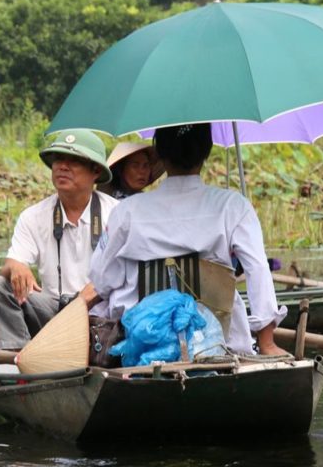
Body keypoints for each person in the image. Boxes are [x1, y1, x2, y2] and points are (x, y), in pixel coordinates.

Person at [82, 122, 288, 356]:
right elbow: (258, 269)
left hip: (142, 342)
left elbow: (102, 278)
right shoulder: (233, 206)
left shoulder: (126, 211)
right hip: (220, 342)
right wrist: (267, 343)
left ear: (159, 154)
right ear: (207, 151)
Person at [0, 129, 120, 350]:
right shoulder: (33, 216)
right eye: (58, 159)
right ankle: (15, 357)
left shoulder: (117, 214)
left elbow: (124, 273)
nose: (62, 166)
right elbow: (10, 265)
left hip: (102, 318)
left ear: (95, 171)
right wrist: (16, 267)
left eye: (74, 161)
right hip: (53, 312)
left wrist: (83, 302)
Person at [97, 142, 164, 199]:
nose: (142, 171)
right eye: (135, 166)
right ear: (121, 170)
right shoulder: (110, 202)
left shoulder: (149, 201)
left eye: (146, 166)